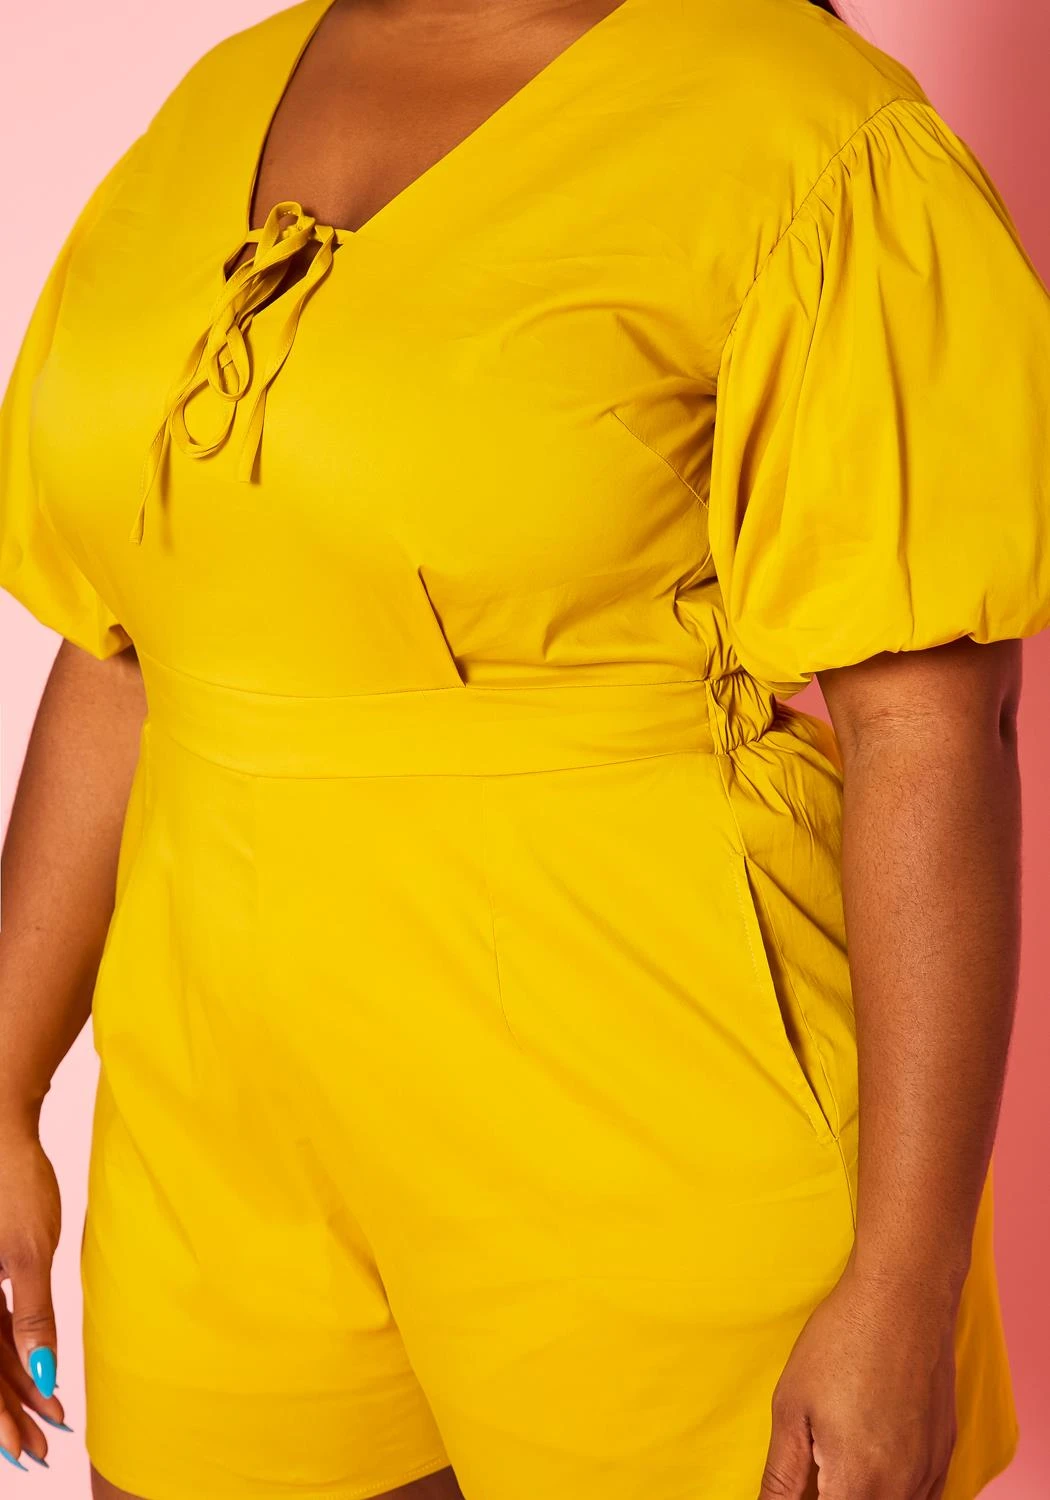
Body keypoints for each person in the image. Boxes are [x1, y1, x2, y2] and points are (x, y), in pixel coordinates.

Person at [1, 0, 1047, 1496]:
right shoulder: (217, 99)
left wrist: (905, 1280)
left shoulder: (802, 123)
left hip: (647, 1101)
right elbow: (129, 643)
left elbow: (931, 724)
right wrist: (4, 1080)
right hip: (217, 1138)